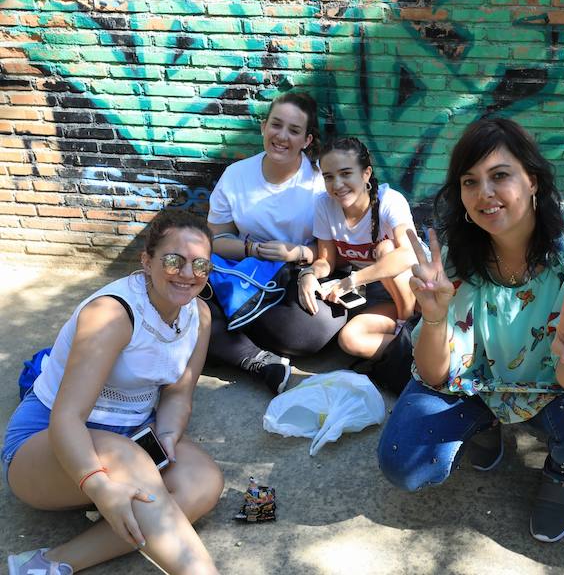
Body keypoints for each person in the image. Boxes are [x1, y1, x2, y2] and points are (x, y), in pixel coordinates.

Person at [377, 118, 564, 543]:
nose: (485, 194)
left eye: (500, 176)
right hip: (477, 384)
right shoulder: (456, 253)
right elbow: (437, 375)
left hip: (559, 388)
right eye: (470, 181)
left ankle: (560, 470)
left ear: (532, 180)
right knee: (402, 461)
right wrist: (436, 316)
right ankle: (484, 424)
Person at [4, 209, 223, 575]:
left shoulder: (198, 315)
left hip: (129, 440)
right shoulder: (112, 314)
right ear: (146, 260)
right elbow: (67, 417)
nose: (188, 274)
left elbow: (178, 394)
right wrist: (99, 484)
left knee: (202, 483)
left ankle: (50, 564)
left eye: (200, 266)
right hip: (48, 443)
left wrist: (167, 436)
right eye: (174, 260)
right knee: (133, 465)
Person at [206, 91, 347, 394]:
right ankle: (254, 358)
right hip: (244, 273)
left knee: (321, 327)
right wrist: (251, 249)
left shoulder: (321, 181)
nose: (281, 136)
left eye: (294, 130)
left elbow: (333, 252)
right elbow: (217, 240)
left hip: (293, 277)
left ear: (307, 140)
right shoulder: (235, 176)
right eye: (276, 125)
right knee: (181, 295)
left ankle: (220, 334)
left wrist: (297, 253)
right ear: (263, 127)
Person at [300, 137, 418, 361]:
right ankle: (415, 348)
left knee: (386, 248)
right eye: (329, 177)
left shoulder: (390, 201)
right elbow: (327, 260)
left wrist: (352, 280)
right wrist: (309, 274)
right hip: (384, 298)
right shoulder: (324, 205)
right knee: (349, 339)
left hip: (418, 295)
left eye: (346, 174)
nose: (337, 185)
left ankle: (410, 332)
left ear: (366, 173)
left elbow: (408, 253)